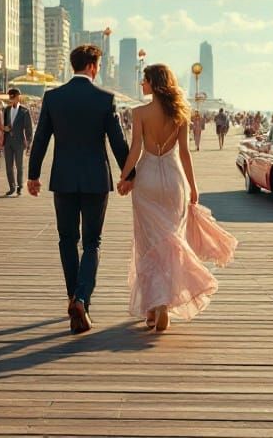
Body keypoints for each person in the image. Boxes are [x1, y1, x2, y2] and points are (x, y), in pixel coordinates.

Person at [116, 65, 236, 332]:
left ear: (153, 84)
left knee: (148, 245)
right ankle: (163, 304)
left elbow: (135, 149)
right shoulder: (180, 113)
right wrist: (193, 186)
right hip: (174, 181)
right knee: (172, 240)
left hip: (147, 180)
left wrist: (125, 177)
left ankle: (153, 306)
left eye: (144, 81)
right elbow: (185, 153)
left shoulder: (139, 113)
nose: (141, 85)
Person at [27, 44, 131, 335]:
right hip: (96, 179)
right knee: (92, 242)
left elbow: (40, 140)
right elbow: (118, 142)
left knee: (66, 239)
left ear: (74, 65)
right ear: (93, 66)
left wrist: (33, 175)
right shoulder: (104, 99)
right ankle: (83, 299)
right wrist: (129, 174)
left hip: (63, 178)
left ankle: (74, 297)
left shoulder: (53, 97)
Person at [2, 88, 34, 196]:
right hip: (8, 142)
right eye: (10, 97)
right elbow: (2, 124)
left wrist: (29, 143)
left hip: (20, 142)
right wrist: (4, 128)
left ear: (18, 96)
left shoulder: (24, 111)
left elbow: (29, 129)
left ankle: (20, 186)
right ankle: (12, 187)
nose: (11, 99)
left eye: (13, 96)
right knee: (8, 166)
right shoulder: (6, 110)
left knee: (19, 166)